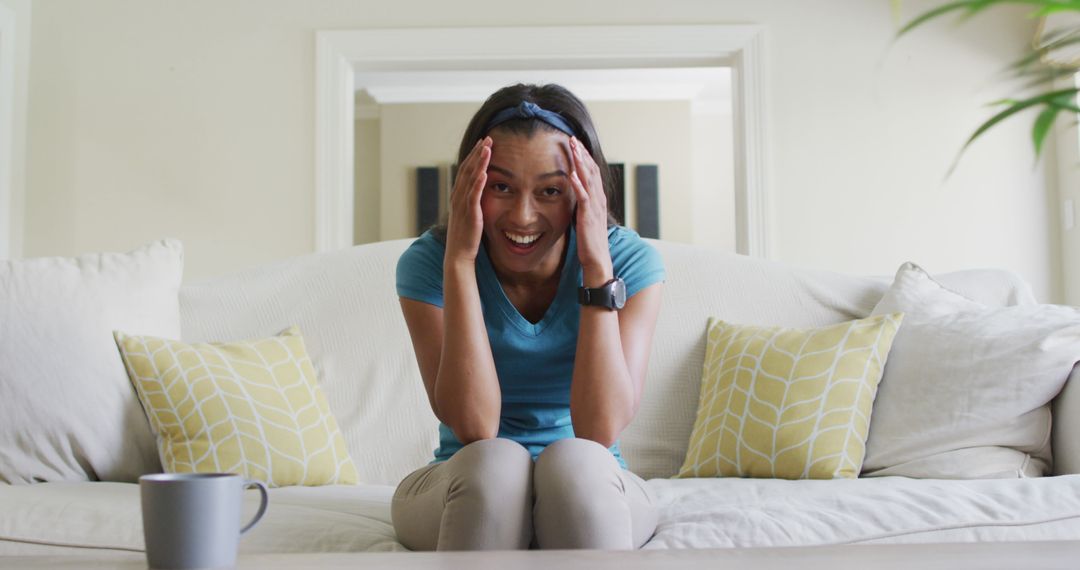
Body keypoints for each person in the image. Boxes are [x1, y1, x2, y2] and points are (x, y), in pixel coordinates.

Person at [392, 83, 665, 551]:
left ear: (584, 192)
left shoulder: (630, 261)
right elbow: (475, 427)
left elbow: (599, 431)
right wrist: (459, 262)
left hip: (594, 485)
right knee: (496, 465)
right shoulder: (430, 262)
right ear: (468, 184)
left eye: (551, 191)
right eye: (500, 186)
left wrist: (597, 266)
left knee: (574, 464)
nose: (522, 216)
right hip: (468, 485)